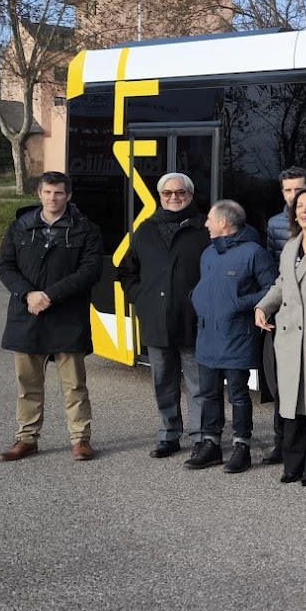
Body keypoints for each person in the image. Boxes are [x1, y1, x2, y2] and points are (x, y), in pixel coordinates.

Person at [0, 171, 103, 462]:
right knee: (27, 386)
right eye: (47, 193)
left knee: (75, 386)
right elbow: (5, 266)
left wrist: (49, 295)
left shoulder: (87, 230)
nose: (53, 198)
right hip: (26, 314)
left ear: (68, 196)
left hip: (68, 317)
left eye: (59, 193)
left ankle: (81, 440)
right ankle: (26, 439)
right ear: (39, 194)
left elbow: (90, 272)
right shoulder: (19, 226)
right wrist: (28, 295)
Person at [118, 172, 210, 459]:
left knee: (198, 384)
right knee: (163, 382)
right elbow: (126, 272)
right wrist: (141, 300)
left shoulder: (205, 229)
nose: (174, 197)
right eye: (167, 193)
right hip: (156, 321)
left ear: (190, 195)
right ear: (160, 197)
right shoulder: (145, 230)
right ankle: (169, 435)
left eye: (180, 192)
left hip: (193, 320)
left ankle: (200, 436)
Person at [187, 200, 278, 472]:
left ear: (224, 223)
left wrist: (239, 304)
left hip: (236, 336)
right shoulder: (208, 254)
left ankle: (242, 447)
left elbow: (273, 288)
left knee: (238, 395)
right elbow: (205, 287)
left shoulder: (254, 253)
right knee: (208, 394)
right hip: (207, 335)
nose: (206, 224)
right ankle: (211, 444)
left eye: (210, 219)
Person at [256, 187, 306, 486]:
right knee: (291, 403)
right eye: (300, 206)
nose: (304, 211)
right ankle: (293, 464)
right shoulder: (290, 246)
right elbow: (281, 283)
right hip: (288, 337)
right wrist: (263, 306)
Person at [259, 167, 306, 465]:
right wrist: (267, 306)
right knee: (281, 383)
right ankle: (282, 443)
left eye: (298, 189)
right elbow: (272, 270)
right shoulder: (275, 223)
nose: (293, 196)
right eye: (287, 190)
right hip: (283, 315)